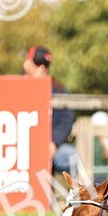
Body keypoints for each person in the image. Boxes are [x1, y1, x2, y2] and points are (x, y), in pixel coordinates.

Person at [22, 46, 77, 176]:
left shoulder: (57, 88)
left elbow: (66, 119)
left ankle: (76, 195)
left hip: (50, 146)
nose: (42, 68)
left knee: (74, 158)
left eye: (45, 65)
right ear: (28, 64)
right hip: (22, 148)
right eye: (38, 64)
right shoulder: (16, 86)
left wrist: (54, 143)